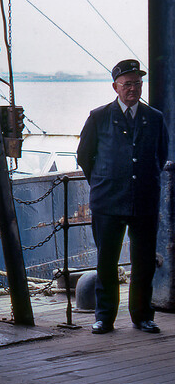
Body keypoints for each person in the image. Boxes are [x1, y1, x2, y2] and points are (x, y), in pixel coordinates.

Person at [77, 59, 169, 334]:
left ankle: (142, 316)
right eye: (127, 84)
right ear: (115, 87)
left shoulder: (154, 118)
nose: (133, 89)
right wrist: (104, 182)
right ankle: (104, 317)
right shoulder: (99, 117)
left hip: (143, 200)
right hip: (108, 201)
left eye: (137, 83)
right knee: (106, 261)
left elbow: (160, 156)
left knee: (143, 261)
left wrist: (144, 179)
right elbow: (84, 156)